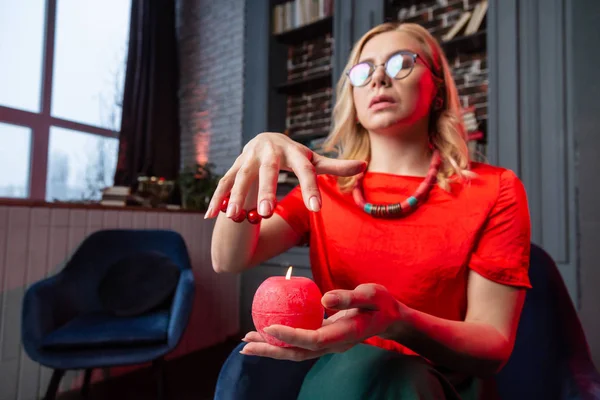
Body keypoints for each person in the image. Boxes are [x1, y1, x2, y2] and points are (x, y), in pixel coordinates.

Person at [207, 22, 531, 400]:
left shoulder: (496, 189)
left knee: (362, 371)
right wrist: (253, 163)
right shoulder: (323, 188)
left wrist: (397, 320)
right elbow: (227, 260)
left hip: (432, 381)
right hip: (333, 367)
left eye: (400, 63)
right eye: (363, 70)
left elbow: (492, 346)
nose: (378, 78)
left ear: (438, 88)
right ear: (354, 99)